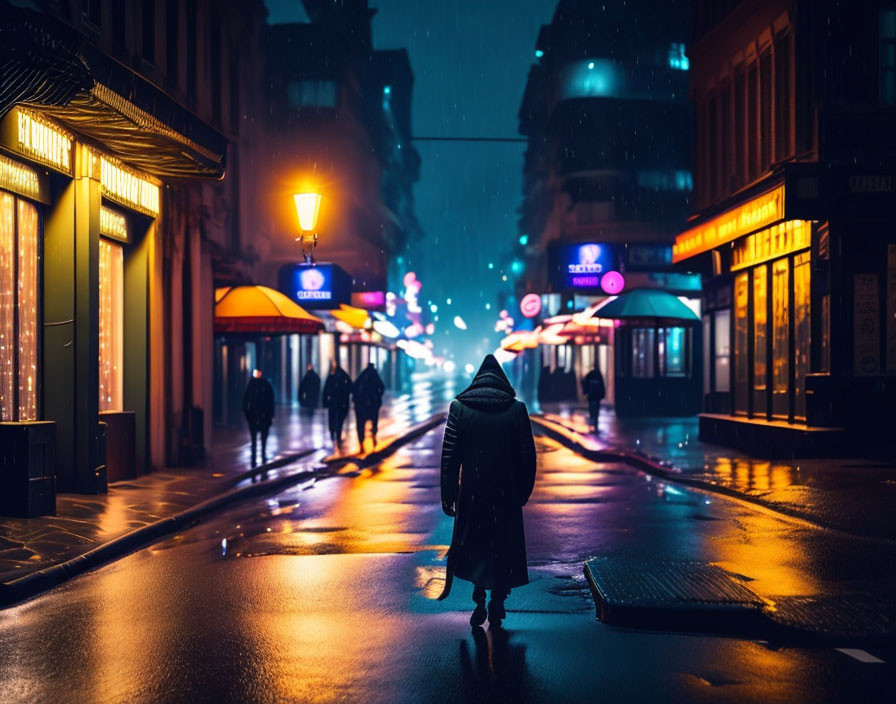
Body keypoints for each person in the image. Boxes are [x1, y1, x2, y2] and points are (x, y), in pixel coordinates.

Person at [438, 354, 537, 628]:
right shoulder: (516, 410)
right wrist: (523, 492)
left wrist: (448, 495)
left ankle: (479, 597)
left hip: (472, 492)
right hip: (505, 493)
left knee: (476, 545)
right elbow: (527, 455)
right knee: (502, 547)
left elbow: (450, 457)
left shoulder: (459, 408)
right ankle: (498, 601)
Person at [242, 369, 275, 466]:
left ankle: (259, 454)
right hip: (256, 414)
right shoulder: (255, 384)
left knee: (259, 436)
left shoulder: (260, 384)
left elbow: (270, 400)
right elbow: (246, 399)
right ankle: (257, 454)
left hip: (261, 414)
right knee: (256, 436)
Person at [353, 362, 385, 448]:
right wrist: (377, 398)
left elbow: (354, 387)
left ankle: (361, 443)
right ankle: (373, 438)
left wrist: (356, 401)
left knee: (360, 424)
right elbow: (381, 388)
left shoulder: (362, 376)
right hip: (372, 404)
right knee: (374, 422)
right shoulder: (375, 376)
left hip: (361, 405)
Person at [322, 359, 352, 448]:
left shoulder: (331, 376)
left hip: (333, 402)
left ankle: (333, 434)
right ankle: (337, 435)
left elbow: (326, 390)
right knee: (339, 420)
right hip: (341, 403)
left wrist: (325, 402)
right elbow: (351, 387)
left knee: (332, 418)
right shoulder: (344, 377)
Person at [582, 366, 606, 432]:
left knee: (592, 410)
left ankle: (593, 424)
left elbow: (585, 384)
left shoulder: (590, 375)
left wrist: (585, 391)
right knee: (595, 411)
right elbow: (602, 386)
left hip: (592, 396)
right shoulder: (598, 375)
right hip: (595, 396)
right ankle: (595, 424)